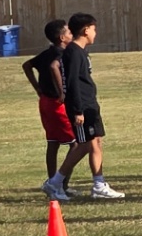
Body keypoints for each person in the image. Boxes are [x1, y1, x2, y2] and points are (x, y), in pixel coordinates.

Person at [48, 14, 124, 200]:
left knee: (91, 144)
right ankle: (97, 184)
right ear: (85, 30)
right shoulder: (73, 52)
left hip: (90, 104)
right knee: (89, 145)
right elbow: (72, 82)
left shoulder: (81, 51)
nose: (95, 33)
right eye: (93, 29)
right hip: (81, 107)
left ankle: (56, 182)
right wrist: (78, 110)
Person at [22, 19, 75, 190]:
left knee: (53, 142)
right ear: (62, 37)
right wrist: (62, 92)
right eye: (69, 32)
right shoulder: (61, 54)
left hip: (45, 102)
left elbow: (27, 65)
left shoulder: (46, 53)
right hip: (57, 104)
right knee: (77, 144)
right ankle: (60, 183)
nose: (71, 35)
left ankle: (53, 180)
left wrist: (37, 88)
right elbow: (54, 68)